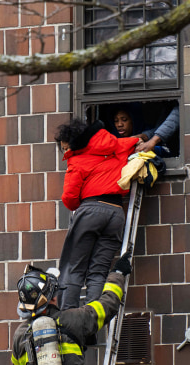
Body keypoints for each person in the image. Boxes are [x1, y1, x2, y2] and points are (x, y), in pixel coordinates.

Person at [54, 118, 138, 310]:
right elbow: (136, 142)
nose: (65, 152)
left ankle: (70, 320)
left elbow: (69, 197)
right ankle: (91, 320)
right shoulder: (116, 145)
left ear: (74, 141)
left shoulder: (77, 159)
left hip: (91, 210)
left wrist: (82, 204)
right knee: (98, 272)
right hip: (116, 213)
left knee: (73, 268)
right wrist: (145, 136)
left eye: (65, 148)